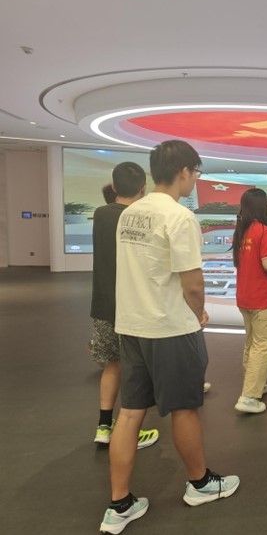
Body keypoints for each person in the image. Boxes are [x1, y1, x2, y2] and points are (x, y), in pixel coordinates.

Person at [101, 140, 239, 534]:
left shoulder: (130, 214)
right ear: (183, 171)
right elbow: (193, 283)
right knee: (184, 408)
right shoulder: (180, 217)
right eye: (196, 172)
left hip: (132, 325)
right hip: (171, 328)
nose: (196, 179)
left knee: (130, 413)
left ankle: (119, 504)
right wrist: (199, 313)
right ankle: (199, 483)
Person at [89, 162, 159, 450]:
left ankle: (104, 426)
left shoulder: (100, 214)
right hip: (133, 306)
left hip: (102, 305)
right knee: (134, 370)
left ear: (114, 186)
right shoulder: (139, 218)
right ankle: (130, 432)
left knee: (112, 365)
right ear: (143, 188)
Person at [233, 188, 267, 414]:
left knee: (252, 343)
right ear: (262, 206)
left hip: (244, 296)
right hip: (262, 297)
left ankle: (254, 385)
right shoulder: (264, 230)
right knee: (263, 345)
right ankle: (249, 397)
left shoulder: (241, 230)